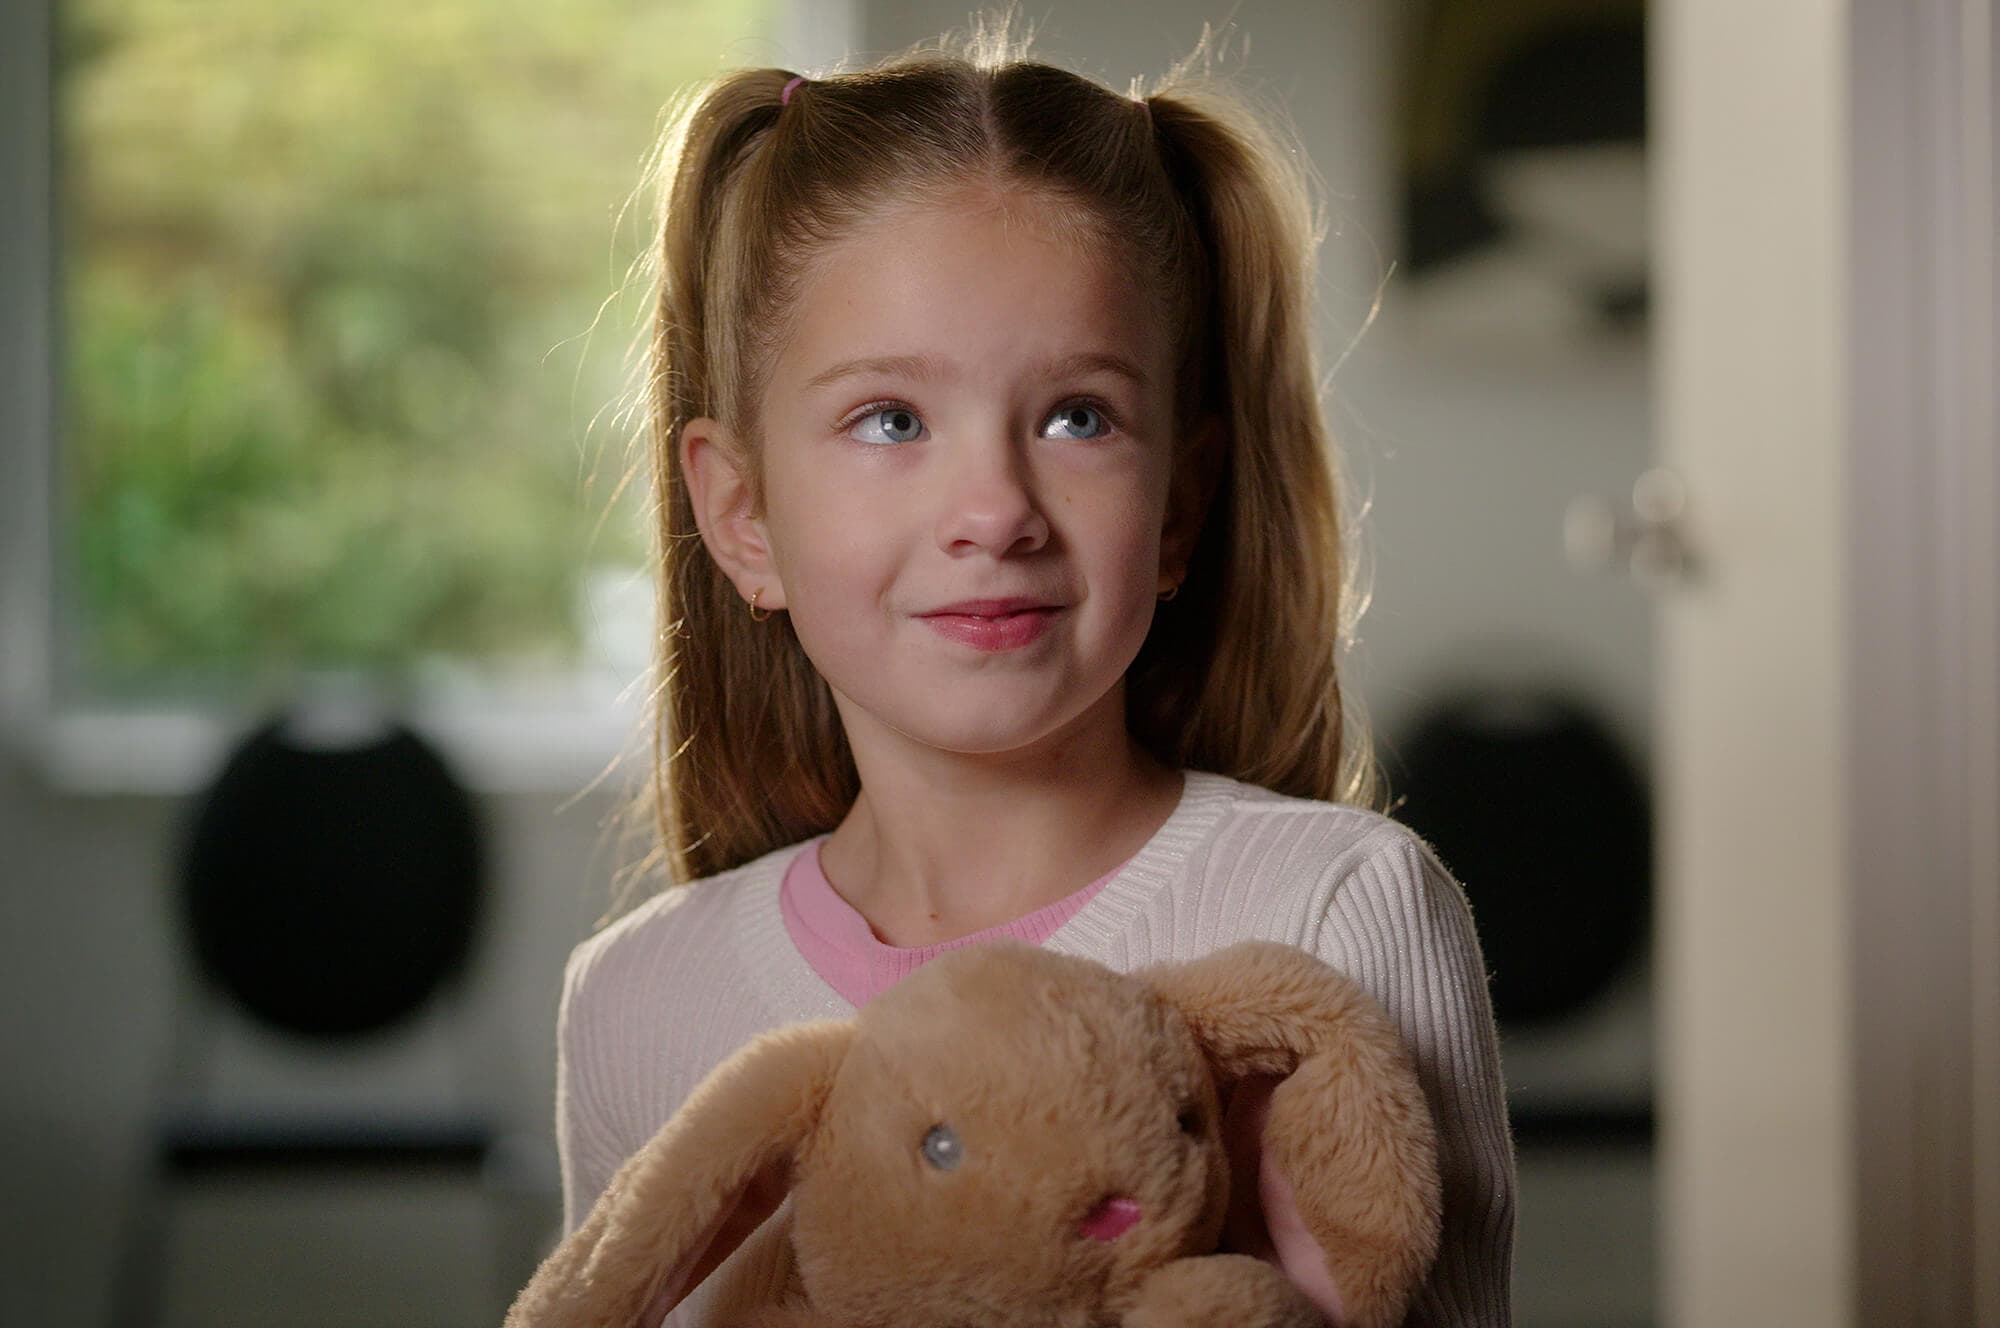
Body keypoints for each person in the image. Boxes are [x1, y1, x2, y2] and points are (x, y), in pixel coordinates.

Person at [555, 17, 1514, 1326]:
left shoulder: (1339, 915)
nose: (995, 508)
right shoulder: (636, 1002)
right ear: (743, 518)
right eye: (889, 419)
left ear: (1179, 508)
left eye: (1079, 416)